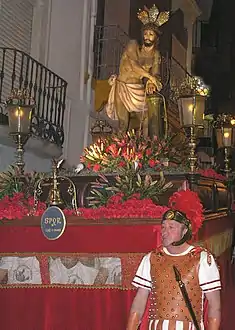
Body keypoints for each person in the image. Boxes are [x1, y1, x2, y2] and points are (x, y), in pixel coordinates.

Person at [126, 190, 221, 330]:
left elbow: (214, 305)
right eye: (163, 227)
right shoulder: (151, 258)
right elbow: (139, 302)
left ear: (185, 231)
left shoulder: (202, 259)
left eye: (171, 227)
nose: (164, 232)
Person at [106, 5, 169, 136]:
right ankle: (118, 152)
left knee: (147, 119)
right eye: (145, 34)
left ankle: (146, 150)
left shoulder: (156, 54)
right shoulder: (133, 45)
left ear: (156, 38)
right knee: (123, 123)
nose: (147, 36)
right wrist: (151, 78)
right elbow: (134, 65)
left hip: (137, 88)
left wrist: (151, 82)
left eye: (151, 34)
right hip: (123, 86)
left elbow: (156, 72)